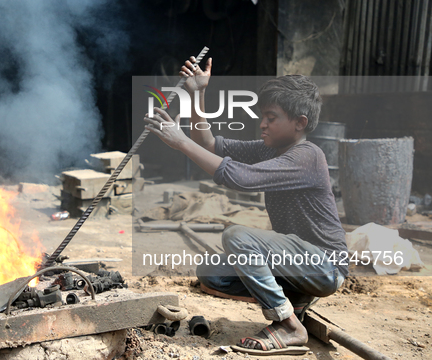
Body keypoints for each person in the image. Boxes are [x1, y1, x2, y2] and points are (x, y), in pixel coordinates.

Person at [144, 57, 348, 356]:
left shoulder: (307, 156)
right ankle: (297, 295)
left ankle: (289, 324)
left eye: (271, 117)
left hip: (325, 266)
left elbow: (239, 177)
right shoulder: (271, 148)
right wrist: (196, 94)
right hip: (299, 264)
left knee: (236, 236)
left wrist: (181, 143)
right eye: (262, 116)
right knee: (211, 273)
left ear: (299, 123)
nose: (262, 123)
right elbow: (209, 144)